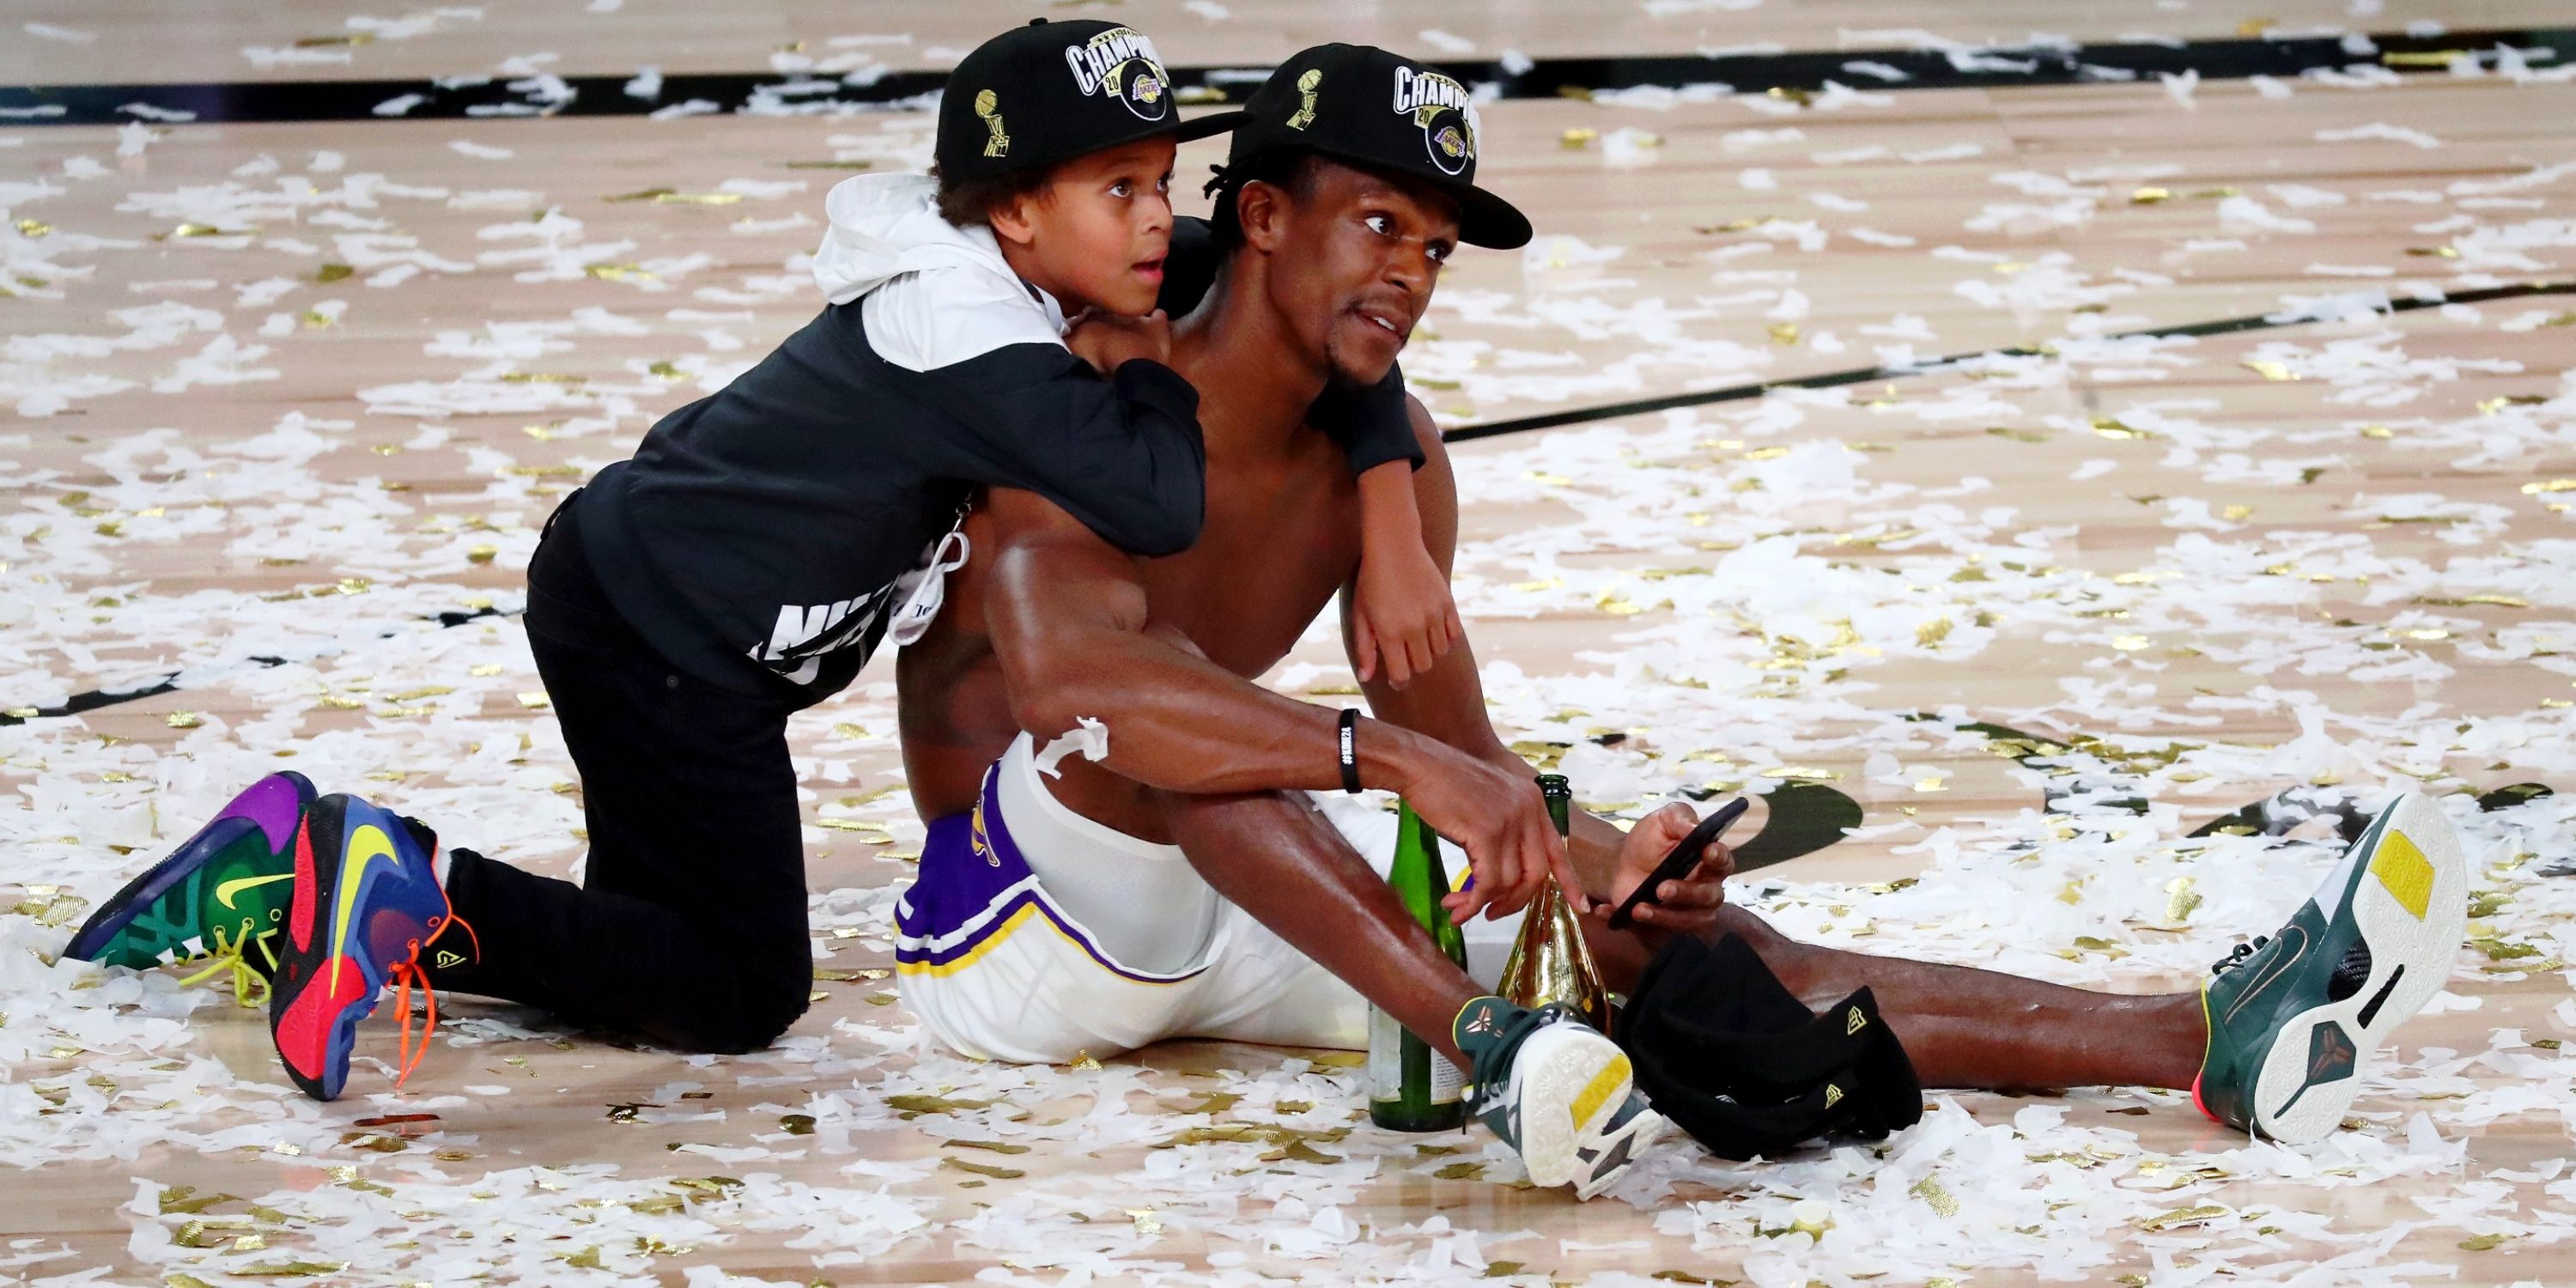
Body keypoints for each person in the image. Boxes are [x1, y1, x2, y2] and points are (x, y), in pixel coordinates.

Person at [887, 40, 2475, 1202]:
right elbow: (1080, 686)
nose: (1415, 277)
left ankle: (2204, 1040)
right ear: (1265, 212)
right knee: (1202, 745)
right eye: (1381, 226)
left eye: (1435, 251)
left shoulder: (1400, 455)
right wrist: (1385, 761)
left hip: (1242, 907)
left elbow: (1471, 773)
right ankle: (1496, 1052)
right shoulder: (1076, 377)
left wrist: (1608, 868)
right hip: (1016, 917)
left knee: (1675, 942)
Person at [63, 19, 1456, 1103]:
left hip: (657, 608)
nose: (1161, 222)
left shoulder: (1054, 261)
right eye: (1121, 191)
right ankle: (376, 872)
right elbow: (1161, 496)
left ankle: (286, 878)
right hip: (669, 646)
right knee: (736, 994)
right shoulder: (979, 340)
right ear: (1014, 216)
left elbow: (1292, 305)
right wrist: (1154, 365)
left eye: (1162, 184)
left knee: (645, 957)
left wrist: (1384, 486)